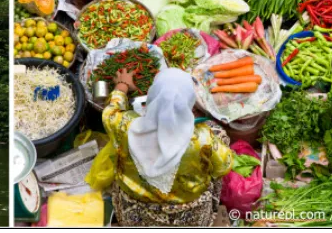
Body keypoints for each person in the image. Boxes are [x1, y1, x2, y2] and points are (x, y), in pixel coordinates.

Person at [91, 67, 233, 205]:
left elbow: (110, 112)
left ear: (152, 96)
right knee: (218, 132)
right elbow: (223, 167)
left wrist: (122, 86)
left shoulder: (125, 126)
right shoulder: (203, 139)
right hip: (186, 213)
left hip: (134, 208)